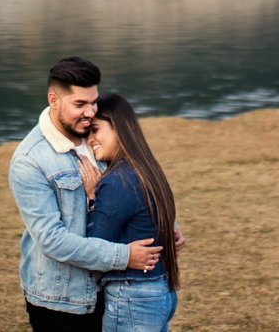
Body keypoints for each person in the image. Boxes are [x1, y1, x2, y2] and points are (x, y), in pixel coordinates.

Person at [9, 57, 163, 331]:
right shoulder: (30, 160)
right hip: (60, 301)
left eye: (93, 102)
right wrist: (124, 256)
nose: (90, 112)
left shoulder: (99, 134)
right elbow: (52, 240)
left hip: (110, 289)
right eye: (79, 104)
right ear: (54, 100)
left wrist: (166, 226)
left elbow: (133, 186)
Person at [84, 93, 181, 332]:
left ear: (118, 128)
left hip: (133, 295)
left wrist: (92, 198)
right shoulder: (146, 169)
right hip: (160, 289)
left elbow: (95, 246)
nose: (90, 139)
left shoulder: (117, 181)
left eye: (96, 129)